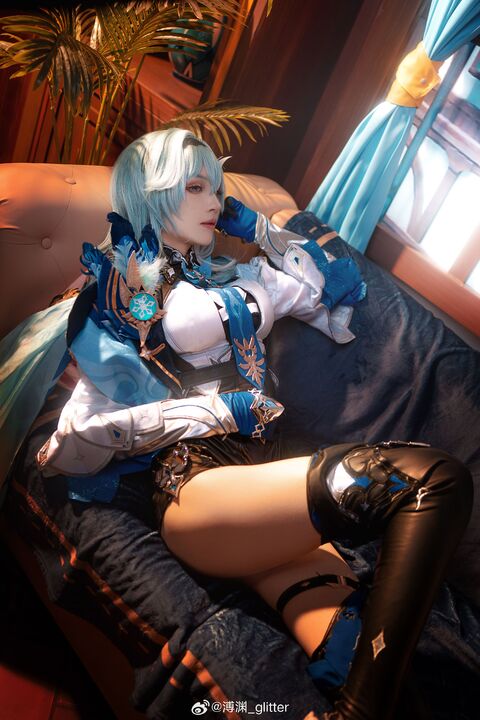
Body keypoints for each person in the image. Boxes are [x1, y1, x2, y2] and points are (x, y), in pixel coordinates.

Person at [36, 128, 472, 720]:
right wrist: (211, 412)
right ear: (150, 192)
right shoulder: (128, 290)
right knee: (429, 478)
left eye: (218, 190)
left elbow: (327, 285)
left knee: (372, 664)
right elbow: (80, 434)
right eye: (195, 187)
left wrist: (259, 228)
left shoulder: (237, 274)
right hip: (198, 480)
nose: (214, 202)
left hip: (266, 478)